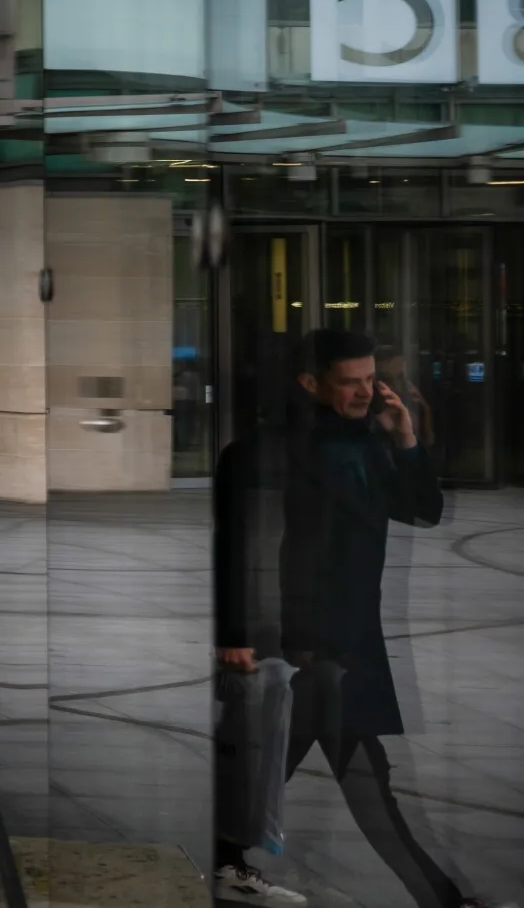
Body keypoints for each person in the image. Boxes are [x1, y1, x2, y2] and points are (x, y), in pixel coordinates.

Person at [214, 329, 499, 908]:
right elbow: (236, 546)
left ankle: (226, 863)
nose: (366, 391)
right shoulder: (261, 451)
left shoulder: (371, 442)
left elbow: (423, 510)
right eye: (351, 381)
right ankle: (443, 899)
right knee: (366, 789)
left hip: (350, 643)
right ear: (311, 383)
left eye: (371, 378)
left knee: (295, 768)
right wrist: (235, 635)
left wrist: (408, 440)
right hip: (302, 648)